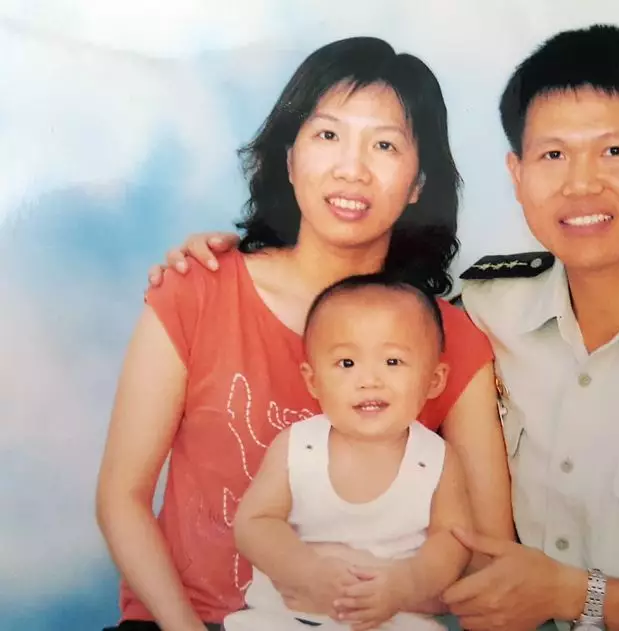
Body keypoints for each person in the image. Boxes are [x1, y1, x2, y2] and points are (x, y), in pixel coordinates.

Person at [149, 23, 619, 631]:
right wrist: (234, 254)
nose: (580, 185)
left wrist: (577, 595)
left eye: (613, 152)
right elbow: (364, 309)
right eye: (553, 155)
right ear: (516, 172)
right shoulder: (485, 305)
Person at [96, 36, 512, 631]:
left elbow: (486, 556)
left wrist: (393, 591)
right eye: (328, 135)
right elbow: (122, 498)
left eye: (385, 145)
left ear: (419, 183)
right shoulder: (199, 289)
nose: (352, 168)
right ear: (290, 158)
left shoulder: (453, 339)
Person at [223, 275, 471, 631]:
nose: (369, 380)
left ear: (434, 380)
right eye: (347, 363)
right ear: (313, 381)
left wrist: (406, 585)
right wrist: (307, 571)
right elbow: (254, 524)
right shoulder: (298, 447)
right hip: (290, 616)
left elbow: (452, 541)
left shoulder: (436, 459)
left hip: (394, 618)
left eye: (393, 361)